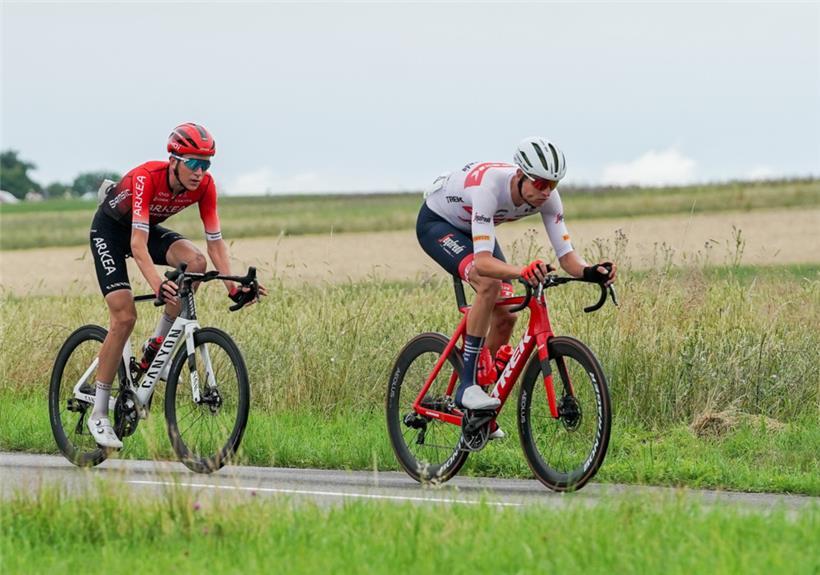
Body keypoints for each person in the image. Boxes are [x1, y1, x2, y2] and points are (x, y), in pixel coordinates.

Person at [416, 136, 617, 427]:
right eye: (540, 183)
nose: (546, 192)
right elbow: (483, 263)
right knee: (489, 285)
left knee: (507, 315)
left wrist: (590, 271)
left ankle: (477, 412)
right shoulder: (489, 188)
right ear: (520, 174)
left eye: (553, 184)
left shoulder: (548, 198)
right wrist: (523, 270)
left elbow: (567, 257)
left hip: (475, 228)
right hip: (438, 224)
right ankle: (467, 387)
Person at [88, 122, 265, 448]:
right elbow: (137, 245)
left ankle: (157, 346)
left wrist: (232, 286)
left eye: (206, 164)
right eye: (193, 163)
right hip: (110, 232)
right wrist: (158, 284)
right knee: (124, 317)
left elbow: (215, 244)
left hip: (144, 228)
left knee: (195, 263)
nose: (200, 172)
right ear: (174, 161)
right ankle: (98, 413)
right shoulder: (147, 177)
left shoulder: (205, 186)